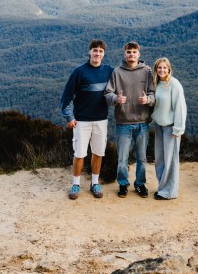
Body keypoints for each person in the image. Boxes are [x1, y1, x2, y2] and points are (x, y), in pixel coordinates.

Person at [60, 39, 114, 200]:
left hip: (101, 120)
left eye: (100, 51)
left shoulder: (109, 71)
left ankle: (94, 183)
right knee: (80, 154)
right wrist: (69, 116)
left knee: (98, 153)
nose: (97, 53)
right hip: (81, 120)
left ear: (104, 54)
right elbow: (66, 97)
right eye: (95, 50)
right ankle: (76, 184)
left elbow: (127, 75)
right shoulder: (79, 72)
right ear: (89, 52)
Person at [104, 41, 155, 198]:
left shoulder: (147, 72)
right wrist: (116, 99)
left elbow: (154, 94)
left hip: (142, 123)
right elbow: (107, 94)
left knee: (141, 158)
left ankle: (140, 184)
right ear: (124, 54)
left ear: (139, 54)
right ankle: (123, 184)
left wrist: (148, 100)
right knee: (122, 158)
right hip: (123, 123)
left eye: (134, 52)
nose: (131, 55)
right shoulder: (117, 72)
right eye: (128, 52)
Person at [151, 57, 187, 200]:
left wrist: (178, 129)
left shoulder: (174, 84)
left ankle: (169, 192)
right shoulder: (157, 84)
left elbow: (180, 107)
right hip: (159, 126)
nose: (162, 70)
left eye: (164, 68)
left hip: (171, 128)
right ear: (156, 69)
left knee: (170, 160)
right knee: (160, 159)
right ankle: (162, 188)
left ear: (169, 69)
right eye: (159, 67)